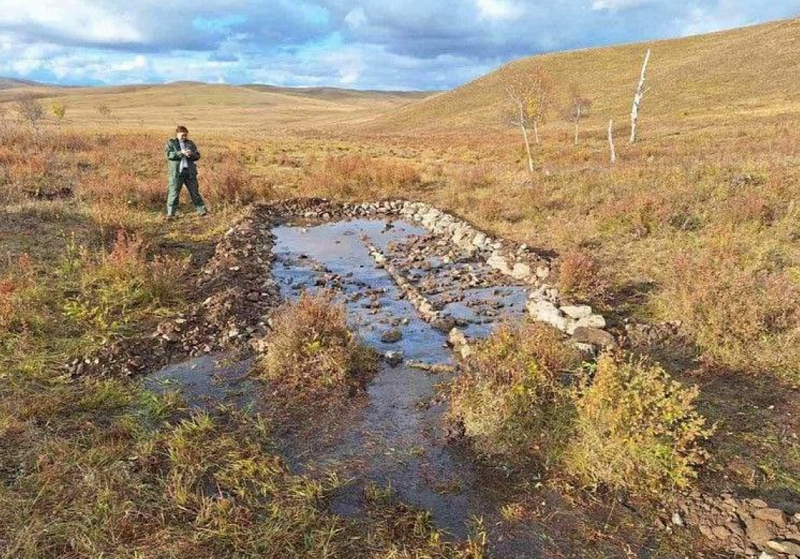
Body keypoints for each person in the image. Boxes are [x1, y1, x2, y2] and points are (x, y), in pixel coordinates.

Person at [165, 125, 207, 218]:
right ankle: (170, 214)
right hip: (176, 172)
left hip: (189, 172)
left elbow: (197, 156)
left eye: (186, 135)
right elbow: (169, 155)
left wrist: (191, 154)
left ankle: (202, 212)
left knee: (195, 192)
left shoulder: (190, 143)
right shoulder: (171, 143)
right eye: (182, 135)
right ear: (177, 133)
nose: (184, 137)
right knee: (174, 193)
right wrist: (181, 153)